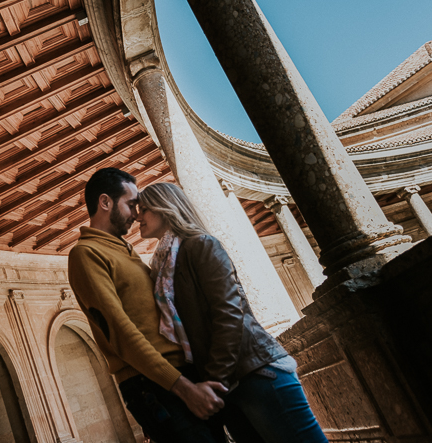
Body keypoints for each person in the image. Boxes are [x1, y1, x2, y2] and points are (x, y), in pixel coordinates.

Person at [135, 182, 328, 443]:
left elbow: (229, 313)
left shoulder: (201, 245)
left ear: (165, 208)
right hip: (228, 386)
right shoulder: (163, 264)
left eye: (144, 208)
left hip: (256, 374)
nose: (137, 215)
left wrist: (214, 381)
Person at [68, 168, 228, 443]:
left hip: (177, 377)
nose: (136, 213)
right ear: (105, 202)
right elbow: (121, 332)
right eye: (131, 204)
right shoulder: (85, 254)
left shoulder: (124, 250)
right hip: (154, 385)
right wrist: (184, 388)